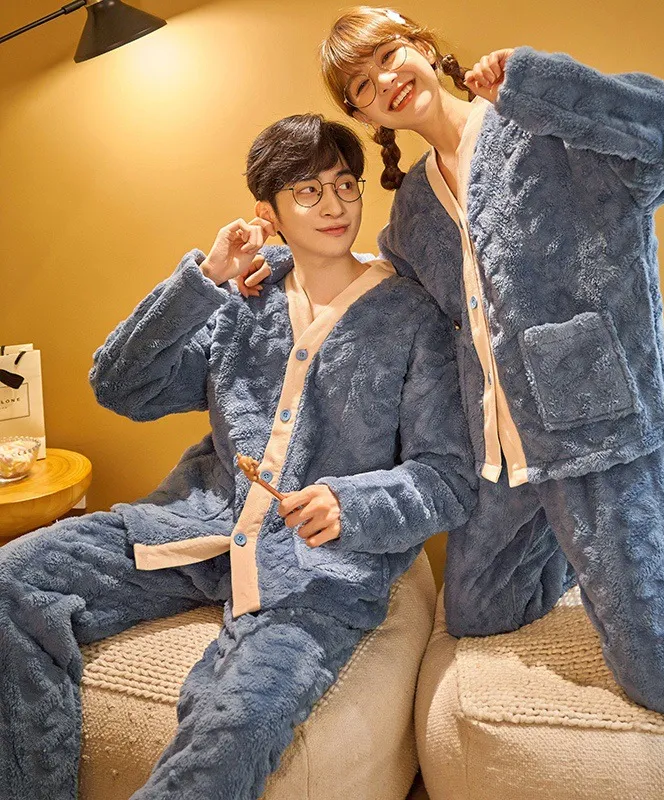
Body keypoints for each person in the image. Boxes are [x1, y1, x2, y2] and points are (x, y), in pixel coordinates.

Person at [244, 7, 664, 716]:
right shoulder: (413, 209)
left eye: (388, 56)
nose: (383, 81)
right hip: (504, 459)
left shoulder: (540, 126)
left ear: (423, 48)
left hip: (598, 432)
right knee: (478, 613)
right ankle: (585, 551)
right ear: (362, 113)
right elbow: (384, 290)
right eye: (360, 85)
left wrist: (541, 85)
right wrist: (278, 264)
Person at [0, 112, 475, 800]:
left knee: (235, 727)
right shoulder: (240, 299)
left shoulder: (410, 317)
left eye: (345, 184)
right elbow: (121, 385)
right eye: (308, 191)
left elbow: (448, 478)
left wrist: (351, 503)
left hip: (312, 571)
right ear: (268, 213)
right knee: (12, 578)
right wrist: (205, 278)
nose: (335, 205)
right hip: (195, 530)